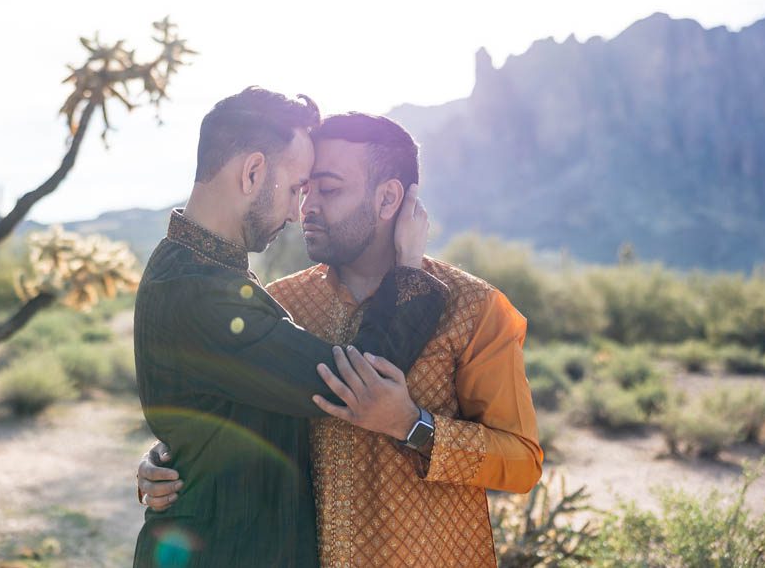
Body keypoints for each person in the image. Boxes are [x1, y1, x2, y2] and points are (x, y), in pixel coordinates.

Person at [139, 112, 543, 567]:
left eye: (328, 190)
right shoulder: (281, 302)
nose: (306, 207)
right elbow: (225, 416)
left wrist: (415, 426)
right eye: (304, 188)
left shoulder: (472, 309)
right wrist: (169, 462)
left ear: (389, 197)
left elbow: (523, 461)